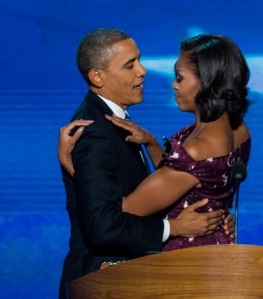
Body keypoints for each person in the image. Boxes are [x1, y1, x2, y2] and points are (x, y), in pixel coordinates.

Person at [59, 29, 233, 298]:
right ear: (97, 76)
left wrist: (212, 210)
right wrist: (174, 227)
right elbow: (103, 225)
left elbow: (141, 195)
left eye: (139, 60)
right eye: (130, 65)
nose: (142, 71)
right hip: (102, 281)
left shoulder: (115, 124)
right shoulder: (94, 134)